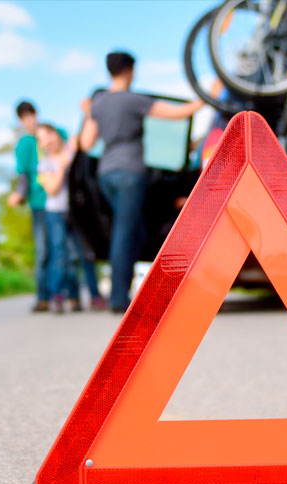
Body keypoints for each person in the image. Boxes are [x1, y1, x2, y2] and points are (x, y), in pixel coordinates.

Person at [79, 51, 223, 313]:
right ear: (128, 70)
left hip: (106, 174)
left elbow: (86, 143)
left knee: (130, 230)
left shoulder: (98, 103)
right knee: (125, 233)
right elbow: (180, 113)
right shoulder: (135, 100)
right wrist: (209, 93)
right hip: (130, 173)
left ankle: (125, 289)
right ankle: (119, 298)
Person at [10, 101, 52, 312]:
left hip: (61, 200)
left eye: (32, 115)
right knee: (43, 249)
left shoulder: (53, 133)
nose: (30, 120)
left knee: (64, 250)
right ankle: (43, 297)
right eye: (25, 117)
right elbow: (23, 175)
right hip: (39, 203)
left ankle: (68, 295)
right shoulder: (24, 144)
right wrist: (19, 193)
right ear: (21, 121)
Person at [36, 123, 77, 313]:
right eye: (42, 140)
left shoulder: (70, 151)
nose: (48, 142)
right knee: (59, 253)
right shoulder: (45, 164)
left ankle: (74, 296)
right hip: (54, 212)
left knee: (74, 254)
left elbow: (78, 140)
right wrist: (61, 168)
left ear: (55, 133)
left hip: (73, 211)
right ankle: (57, 294)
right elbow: (52, 189)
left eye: (49, 136)